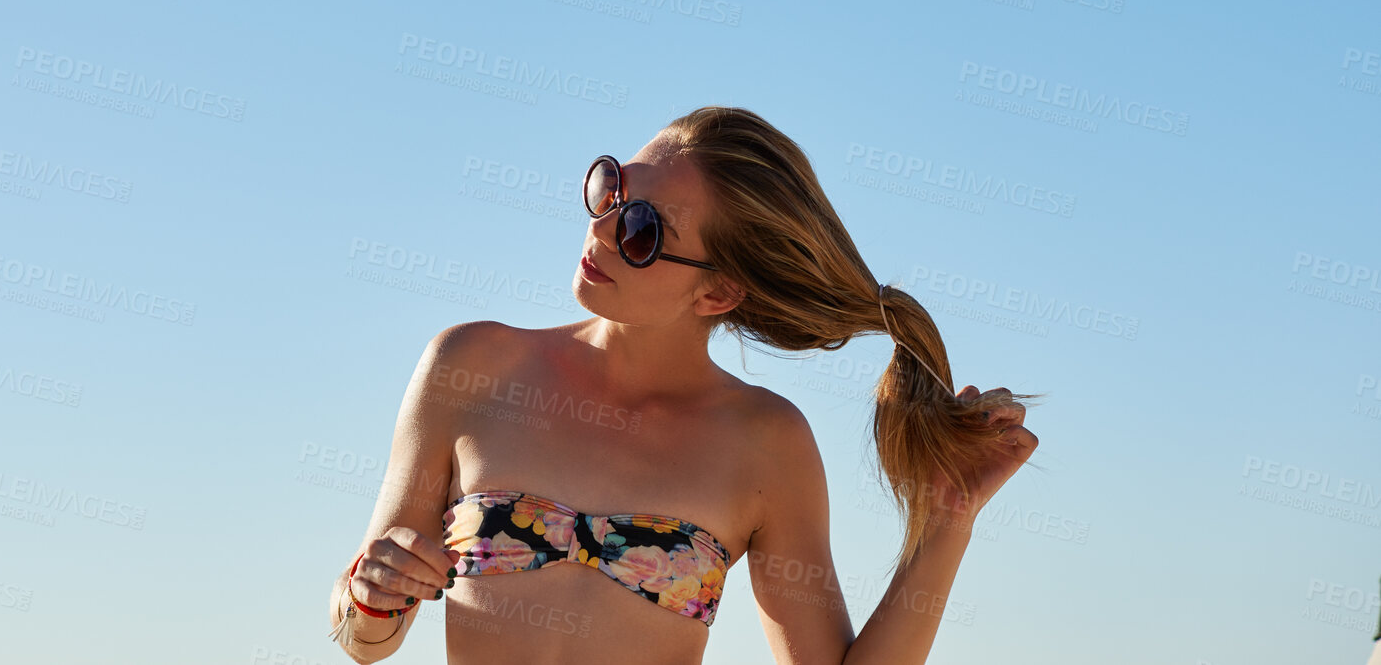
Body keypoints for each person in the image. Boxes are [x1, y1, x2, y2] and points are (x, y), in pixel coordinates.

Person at [325, 106, 1042, 664]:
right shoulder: (473, 364)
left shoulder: (766, 443)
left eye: (639, 229)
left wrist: (949, 517)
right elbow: (361, 635)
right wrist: (371, 596)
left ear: (719, 292)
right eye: (612, 186)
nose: (601, 230)